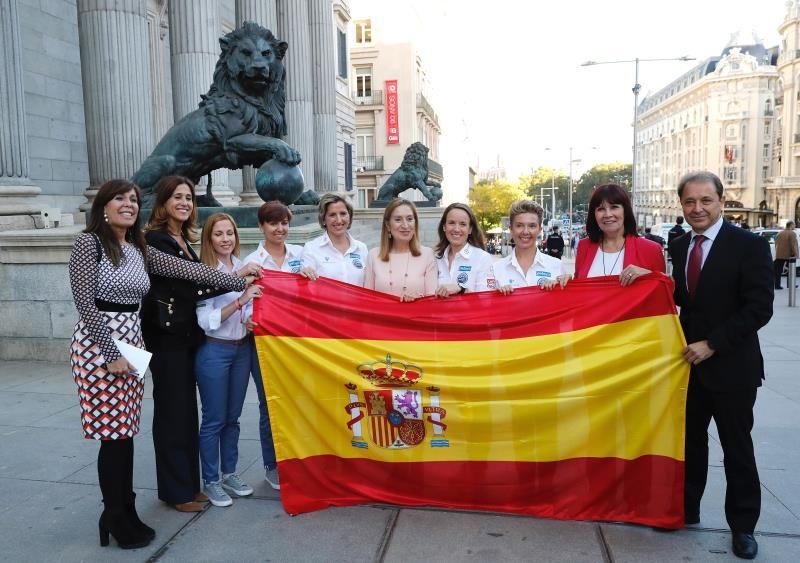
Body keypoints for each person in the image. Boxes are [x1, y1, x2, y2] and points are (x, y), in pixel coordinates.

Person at [69, 179, 249, 549]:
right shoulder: (89, 244)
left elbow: (192, 272)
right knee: (112, 435)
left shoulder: (138, 247)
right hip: (100, 345)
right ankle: (115, 515)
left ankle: (125, 509)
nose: (128, 204)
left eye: (134, 199)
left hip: (133, 342)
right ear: (103, 205)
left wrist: (236, 278)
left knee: (126, 431)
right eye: (120, 198)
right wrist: (111, 353)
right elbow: (85, 304)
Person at [140, 176, 260, 513]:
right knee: (173, 415)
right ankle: (177, 492)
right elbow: (194, 279)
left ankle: (191, 484)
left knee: (187, 415)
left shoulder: (181, 239)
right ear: (163, 202)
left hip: (185, 339)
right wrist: (238, 282)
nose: (184, 202)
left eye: (189, 197)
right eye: (176, 197)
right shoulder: (155, 240)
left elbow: (194, 286)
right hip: (165, 341)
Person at [669, 171, 773, 560]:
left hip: (733, 368)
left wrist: (713, 343)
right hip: (689, 368)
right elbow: (683, 296)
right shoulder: (679, 245)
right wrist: (653, 281)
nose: (697, 208)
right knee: (690, 444)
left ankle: (743, 526)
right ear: (682, 204)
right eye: (690, 202)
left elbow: (760, 307)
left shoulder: (748, 245)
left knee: (737, 449)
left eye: (705, 200)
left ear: (720, 201)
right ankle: (686, 508)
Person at [196, 213, 262, 507]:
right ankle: (210, 481)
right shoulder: (204, 270)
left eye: (230, 233)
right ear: (209, 239)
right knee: (214, 419)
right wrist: (240, 300)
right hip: (215, 350)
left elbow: (247, 308)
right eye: (219, 234)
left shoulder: (242, 266)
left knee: (232, 419)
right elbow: (205, 320)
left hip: (242, 349)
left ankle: (229, 473)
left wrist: (248, 318)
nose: (225, 239)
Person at [243, 200, 305, 489]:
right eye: (273, 223)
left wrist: (311, 278)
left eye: (284, 223)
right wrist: (247, 318)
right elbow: (243, 302)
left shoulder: (302, 256)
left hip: (298, 342)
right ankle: (273, 464)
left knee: (299, 401)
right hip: (265, 343)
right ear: (261, 226)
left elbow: (315, 294)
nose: (280, 229)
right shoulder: (252, 263)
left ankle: (300, 458)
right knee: (270, 404)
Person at [572, 183, 665, 283]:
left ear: (625, 211)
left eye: (614, 207)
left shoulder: (651, 250)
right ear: (594, 214)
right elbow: (579, 288)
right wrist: (566, 284)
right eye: (601, 209)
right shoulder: (584, 246)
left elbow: (664, 289)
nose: (608, 214)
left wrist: (648, 276)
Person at [363, 198, 437, 301]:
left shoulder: (427, 254)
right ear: (388, 225)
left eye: (410, 219)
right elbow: (367, 300)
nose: (405, 225)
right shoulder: (373, 255)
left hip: (416, 316)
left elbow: (432, 300)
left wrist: (419, 300)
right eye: (398, 219)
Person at [489, 200, 562, 293]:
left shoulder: (557, 266)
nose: (525, 231)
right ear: (511, 229)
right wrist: (497, 297)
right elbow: (486, 304)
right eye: (519, 226)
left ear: (540, 230)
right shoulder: (495, 269)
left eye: (532, 226)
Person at [300, 193, 368, 285]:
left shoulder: (361, 248)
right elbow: (307, 287)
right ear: (323, 219)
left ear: (349, 216)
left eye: (343, 213)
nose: (339, 220)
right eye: (332, 215)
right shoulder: (311, 249)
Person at [433, 202, 493, 297]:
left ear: (470, 229)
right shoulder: (434, 258)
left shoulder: (482, 258)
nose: (456, 229)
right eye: (451, 223)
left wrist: (461, 289)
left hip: (469, 312)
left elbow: (486, 299)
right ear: (444, 227)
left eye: (463, 224)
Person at [774, 221, 798, 290]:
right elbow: (793, 245)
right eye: (794, 225)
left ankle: (777, 285)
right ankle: (790, 284)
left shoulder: (779, 233)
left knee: (778, 271)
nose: (795, 226)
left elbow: (776, 244)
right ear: (791, 225)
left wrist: (778, 252)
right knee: (791, 270)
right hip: (789, 255)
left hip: (779, 254)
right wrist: (796, 254)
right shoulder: (792, 233)